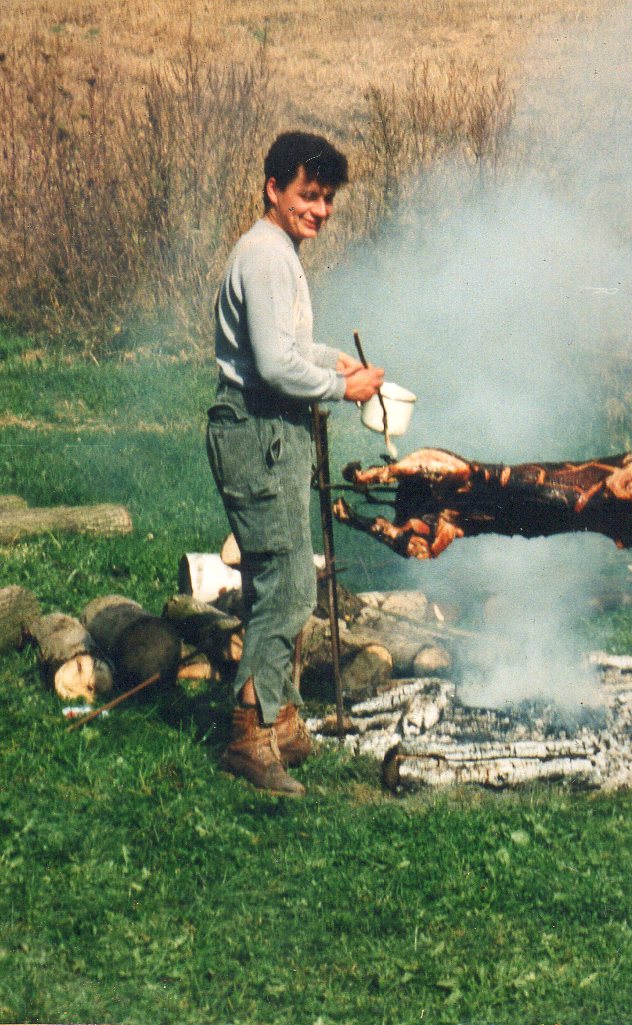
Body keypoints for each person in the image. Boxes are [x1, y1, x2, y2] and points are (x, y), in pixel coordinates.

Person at [205, 131, 384, 796]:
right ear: (273, 189)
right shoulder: (264, 256)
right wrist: (344, 388)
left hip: (270, 428)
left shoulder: (275, 251)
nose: (321, 209)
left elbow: (285, 346)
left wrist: (332, 358)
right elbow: (276, 366)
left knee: (273, 578)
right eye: (309, 195)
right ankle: (248, 737)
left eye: (328, 198)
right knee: (289, 588)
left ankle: (280, 718)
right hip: (259, 430)